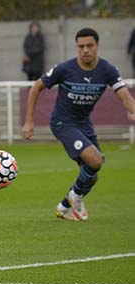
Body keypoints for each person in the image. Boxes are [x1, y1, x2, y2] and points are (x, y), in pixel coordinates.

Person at [22, 28, 135, 221]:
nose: (85, 50)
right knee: (96, 161)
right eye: (81, 46)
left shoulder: (107, 70)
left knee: (92, 175)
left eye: (89, 46)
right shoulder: (65, 69)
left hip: (84, 124)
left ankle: (64, 207)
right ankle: (75, 195)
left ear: (97, 46)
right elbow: (36, 87)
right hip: (62, 122)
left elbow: (124, 95)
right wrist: (29, 121)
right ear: (77, 48)